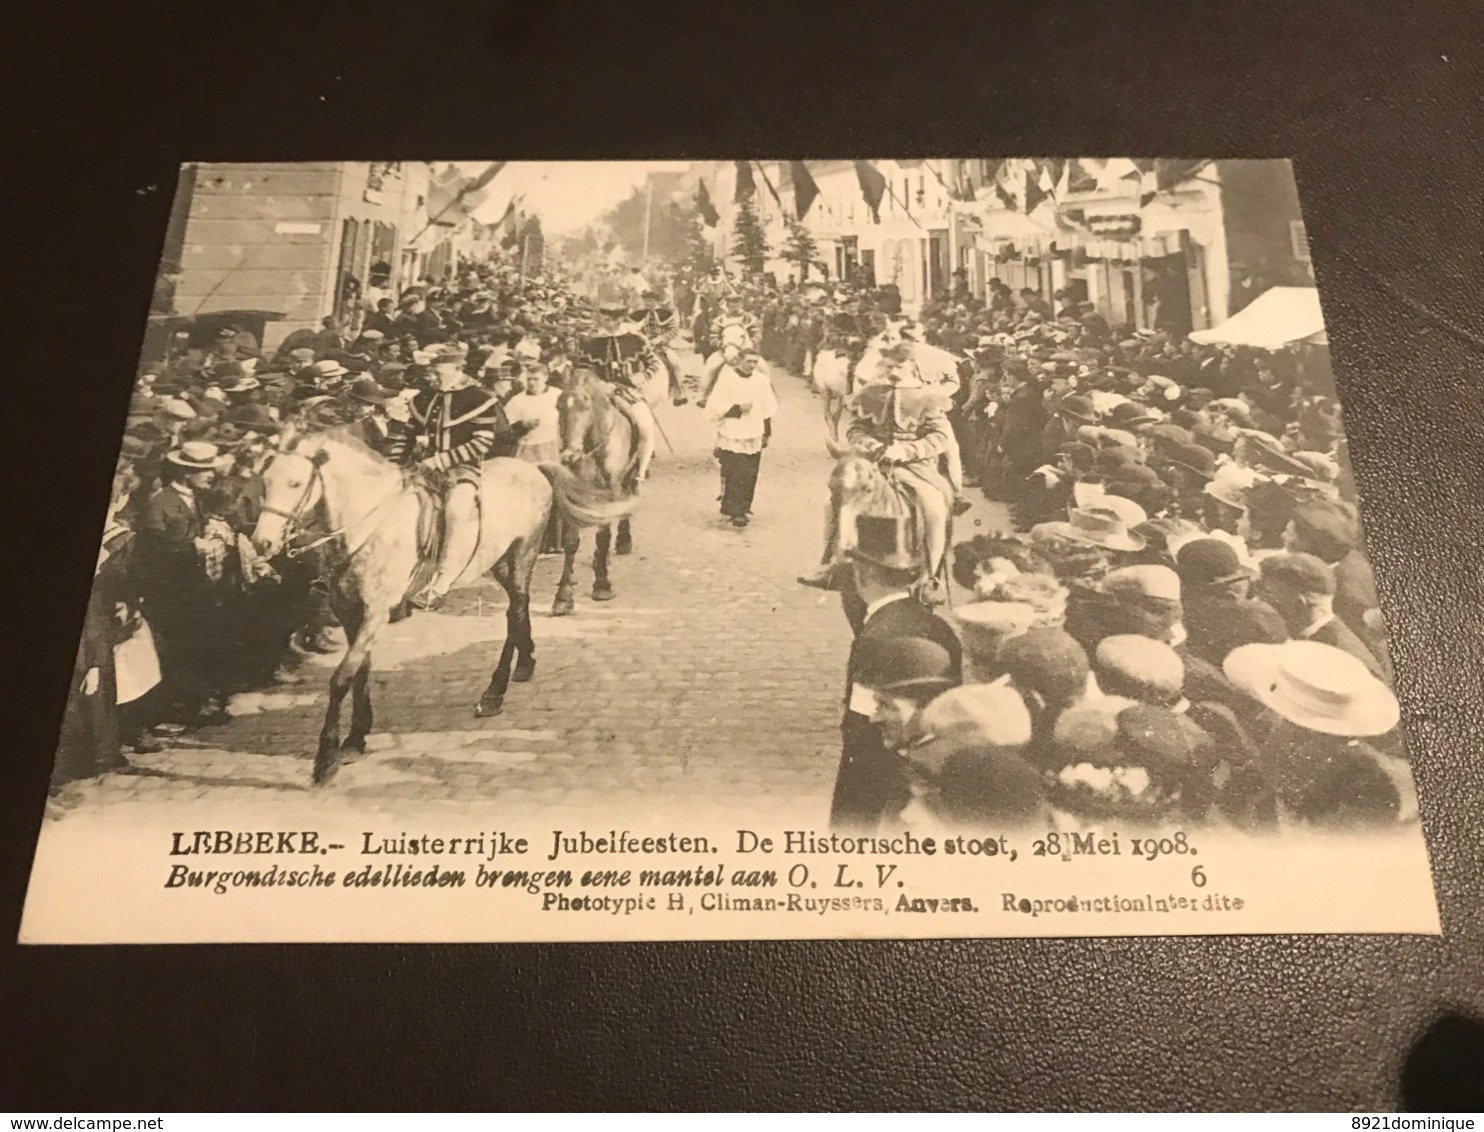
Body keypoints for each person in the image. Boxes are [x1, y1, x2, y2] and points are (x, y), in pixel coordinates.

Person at [830, 514, 964, 831]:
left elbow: (861, 729)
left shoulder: (873, 637)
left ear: (861, 574)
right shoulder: (939, 624)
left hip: (883, 773)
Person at [385, 342, 528, 611]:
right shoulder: (425, 397)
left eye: (439, 372)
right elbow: (406, 434)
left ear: (457, 368)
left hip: (461, 470)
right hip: (423, 469)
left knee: (455, 510)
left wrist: (440, 460)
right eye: (432, 372)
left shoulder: (479, 398)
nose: (433, 377)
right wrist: (394, 465)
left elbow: (481, 444)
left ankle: (442, 581)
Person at [702, 346, 778, 528]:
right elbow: (715, 406)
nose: (752, 365)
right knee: (734, 470)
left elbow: (767, 407)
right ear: (739, 360)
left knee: (750, 472)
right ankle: (733, 508)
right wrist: (736, 408)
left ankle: (743, 507)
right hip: (732, 431)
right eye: (748, 361)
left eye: (755, 362)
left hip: (754, 431)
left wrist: (767, 432)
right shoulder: (728, 379)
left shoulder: (761, 380)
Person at [503, 363, 562, 465]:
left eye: (535, 379)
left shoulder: (557, 394)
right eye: (529, 379)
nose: (531, 383)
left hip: (552, 446)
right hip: (527, 447)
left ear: (545, 378)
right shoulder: (517, 400)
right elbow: (505, 424)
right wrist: (522, 424)